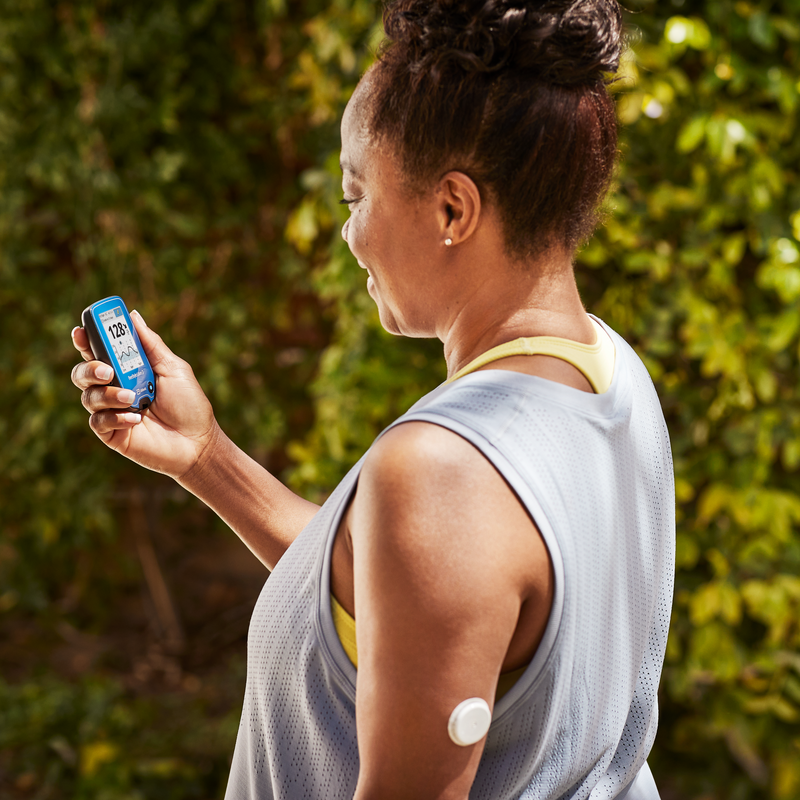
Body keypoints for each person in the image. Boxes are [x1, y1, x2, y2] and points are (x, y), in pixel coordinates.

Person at [71, 0, 675, 797]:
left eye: (357, 196)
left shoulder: (445, 473)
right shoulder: (610, 373)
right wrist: (207, 458)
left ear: (452, 209)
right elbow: (404, 611)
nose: (349, 234)